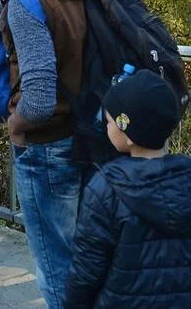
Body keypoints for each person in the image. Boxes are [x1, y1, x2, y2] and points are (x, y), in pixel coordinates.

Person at [0, 0, 95, 309]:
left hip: (47, 147)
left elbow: (36, 97)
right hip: (86, 135)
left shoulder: (27, 0)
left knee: (55, 268)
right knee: (84, 260)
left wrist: (16, 128)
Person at [65, 70, 191, 308]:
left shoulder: (106, 189)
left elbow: (86, 272)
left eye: (110, 121)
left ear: (128, 132)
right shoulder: (186, 178)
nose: (106, 126)